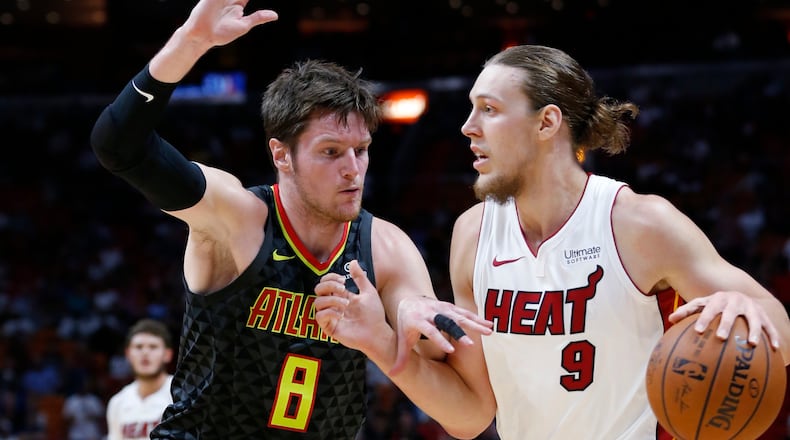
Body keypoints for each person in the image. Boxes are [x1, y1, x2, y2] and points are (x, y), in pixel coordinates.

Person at [313, 44, 790, 439]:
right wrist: (379, 343)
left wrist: (740, 308)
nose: (468, 127)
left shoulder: (639, 223)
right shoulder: (472, 234)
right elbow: (472, 414)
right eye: (471, 108)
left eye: (490, 109)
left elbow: (779, 332)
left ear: (547, 123)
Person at [88, 0, 491, 438]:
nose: (353, 169)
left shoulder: (385, 249)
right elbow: (118, 146)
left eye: (361, 150)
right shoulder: (237, 216)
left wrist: (381, 340)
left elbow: (469, 419)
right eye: (331, 152)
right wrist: (191, 43)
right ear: (282, 153)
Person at [106, 318, 174, 440]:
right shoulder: (117, 402)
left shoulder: (183, 393)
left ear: (167, 354)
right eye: (138, 347)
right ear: (127, 354)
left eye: (153, 347)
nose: (145, 352)